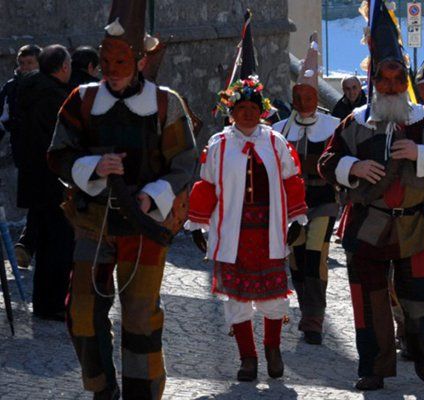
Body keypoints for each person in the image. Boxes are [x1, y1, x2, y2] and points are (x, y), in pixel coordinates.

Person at [47, 1, 197, 398]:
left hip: (144, 227)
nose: (111, 71)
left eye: (120, 61)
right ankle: (101, 389)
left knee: (140, 318)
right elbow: (58, 154)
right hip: (93, 222)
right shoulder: (82, 99)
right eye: (105, 61)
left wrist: (151, 199)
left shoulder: (166, 104)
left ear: (139, 61)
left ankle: (142, 394)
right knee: (81, 314)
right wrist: (94, 166)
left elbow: (184, 163)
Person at [318, 1, 424, 390]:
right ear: (374, 82)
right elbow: (327, 161)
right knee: (369, 300)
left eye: (399, 80)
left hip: (414, 225)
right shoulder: (356, 121)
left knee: (419, 300)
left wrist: (422, 154)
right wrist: (353, 168)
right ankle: (374, 367)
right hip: (367, 226)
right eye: (385, 80)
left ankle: (421, 351)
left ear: (406, 82)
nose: (392, 87)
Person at [187, 76, 307, 382]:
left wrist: (296, 220)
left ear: (262, 111)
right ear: (232, 111)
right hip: (233, 232)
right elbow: (207, 185)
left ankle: (272, 349)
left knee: (273, 295)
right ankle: (248, 359)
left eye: (253, 107)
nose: (248, 113)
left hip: (270, 231)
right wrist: (198, 224)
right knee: (238, 298)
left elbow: (291, 182)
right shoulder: (219, 144)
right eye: (242, 107)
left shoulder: (276, 142)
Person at [272, 35, 340, 345]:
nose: (303, 101)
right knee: (296, 258)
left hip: (324, 201)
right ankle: (306, 307)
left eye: (309, 94)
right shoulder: (280, 129)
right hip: (292, 204)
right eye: (298, 94)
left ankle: (315, 317)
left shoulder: (334, 127)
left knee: (315, 253)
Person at [15, 44, 74, 320]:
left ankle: (43, 303)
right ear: (62, 68)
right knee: (59, 243)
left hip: (32, 176)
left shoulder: (25, 89)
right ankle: (53, 305)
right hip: (53, 179)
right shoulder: (56, 99)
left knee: (47, 242)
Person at [0, 44, 42, 269]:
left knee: (40, 200)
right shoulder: (12, 87)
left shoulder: (46, 86)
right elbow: (2, 118)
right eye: (22, 63)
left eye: (30, 63)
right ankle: (27, 244)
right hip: (24, 154)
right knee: (36, 201)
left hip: (44, 154)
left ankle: (27, 244)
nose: (25, 68)